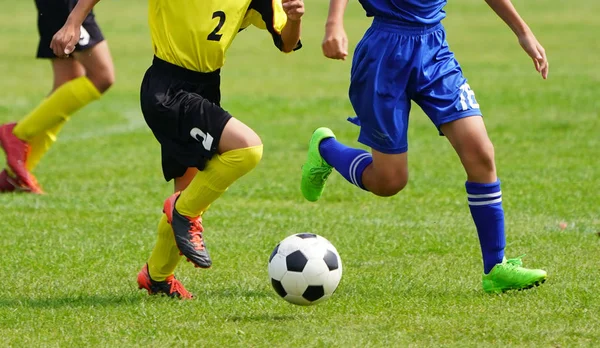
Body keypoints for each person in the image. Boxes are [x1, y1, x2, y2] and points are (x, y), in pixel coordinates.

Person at [51, 0, 303, 299]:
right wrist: (74, 21)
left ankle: (157, 276)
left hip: (206, 88)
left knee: (189, 189)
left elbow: (287, 43)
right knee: (247, 149)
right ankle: (182, 211)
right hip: (167, 90)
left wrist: (294, 18)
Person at [301, 0, 548, 293]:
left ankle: (496, 268)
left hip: (433, 48)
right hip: (384, 53)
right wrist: (334, 22)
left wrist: (523, 31)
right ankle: (326, 149)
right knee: (389, 180)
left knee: (480, 152)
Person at [0, 0, 115, 194]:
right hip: (68, 4)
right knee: (102, 76)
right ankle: (18, 134)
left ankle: (16, 174)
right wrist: (73, 21)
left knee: (67, 82)